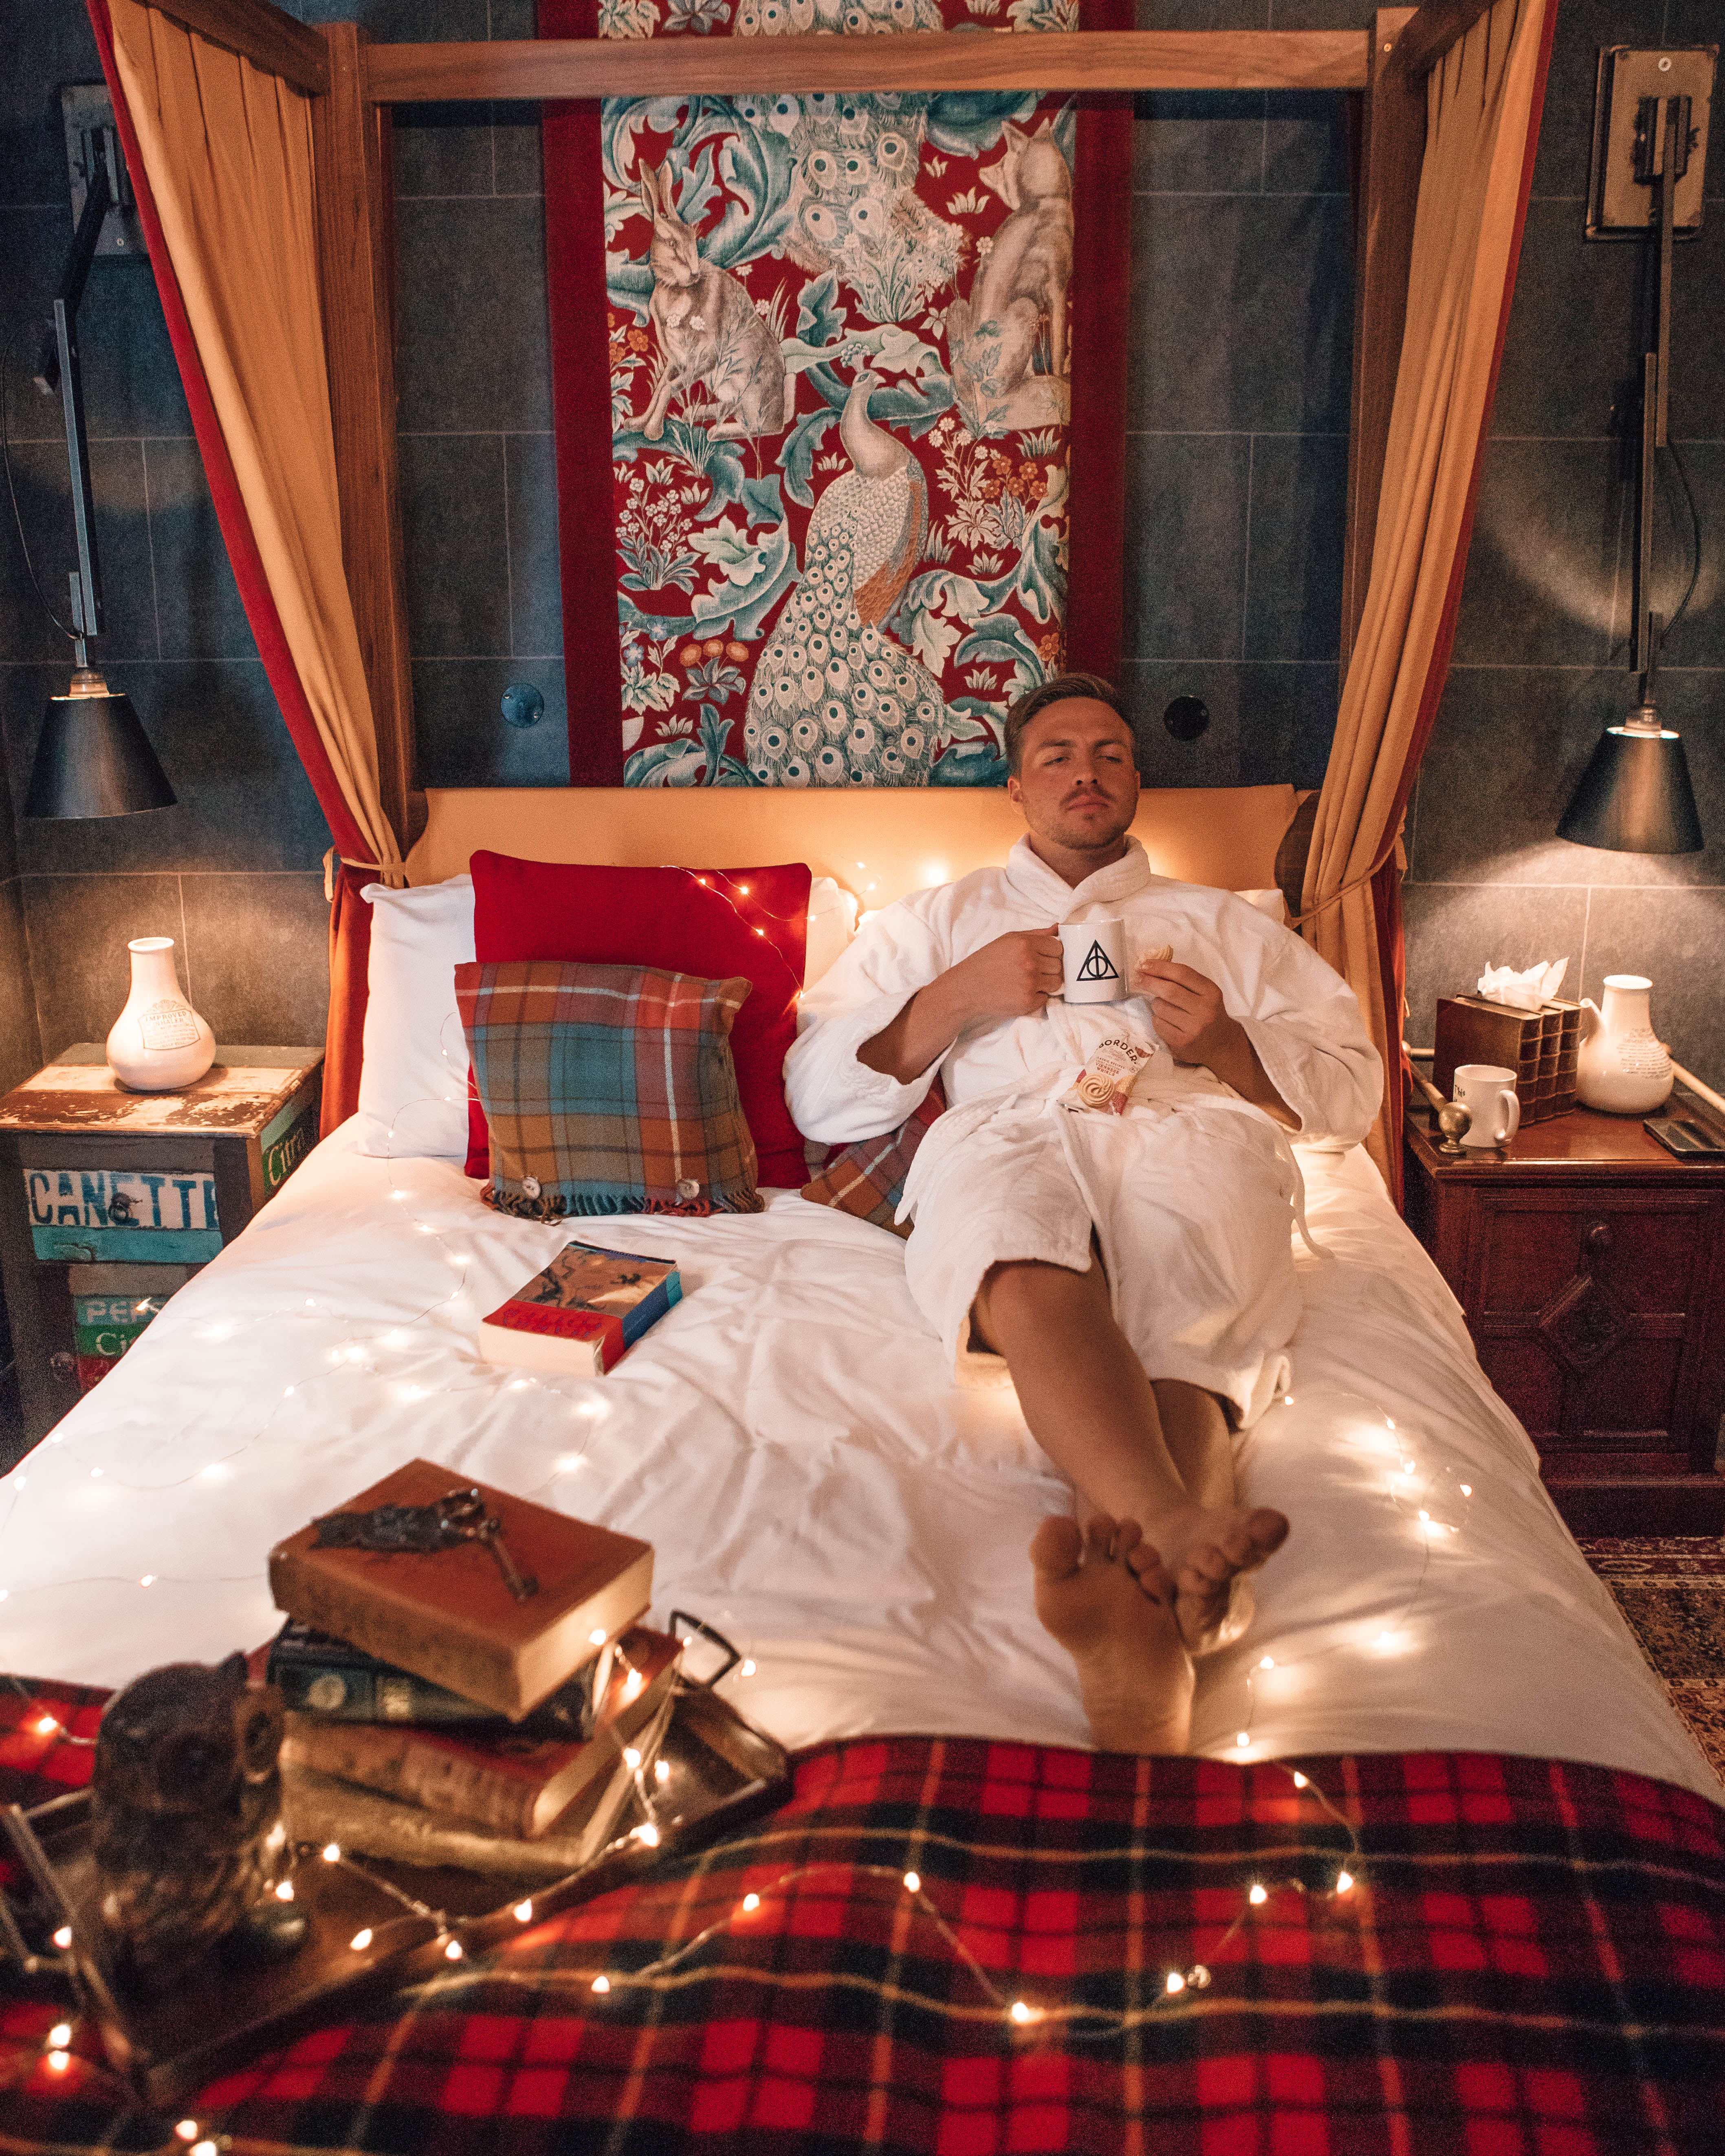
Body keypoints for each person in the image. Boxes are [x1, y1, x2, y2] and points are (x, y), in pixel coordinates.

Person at [785, 675, 1382, 1754]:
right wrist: (954, 997)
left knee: (1192, 1300)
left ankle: (1142, 1637)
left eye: (1109, 752)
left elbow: (1350, 1095)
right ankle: (1175, 1542)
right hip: (1012, 1133)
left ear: (1138, 780)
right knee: (1016, 1250)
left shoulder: (1222, 925)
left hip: (1187, 1132)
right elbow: (819, 1099)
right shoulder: (937, 922)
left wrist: (1229, 1047)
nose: (1085, 772)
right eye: (1055, 755)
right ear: (1015, 787)